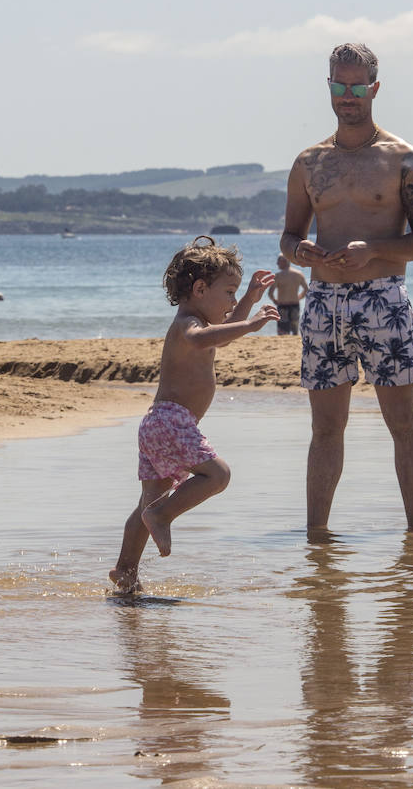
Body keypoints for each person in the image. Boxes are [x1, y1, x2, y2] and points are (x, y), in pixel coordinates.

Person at [281, 42, 413, 533]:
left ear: (373, 88)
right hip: (323, 303)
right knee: (325, 429)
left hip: (382, 300)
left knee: (402, 423)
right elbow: (288, 236)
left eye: (355, 86)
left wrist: (372, 249)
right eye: (338, 85)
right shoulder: (309, 163)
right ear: (328, 86)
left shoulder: (404, 160)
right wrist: (299, 252)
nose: (346, 96)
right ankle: (316, 540)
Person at [110, 237, 278, 593]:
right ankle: (162, 516)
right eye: (229, 292)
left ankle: (126, 574)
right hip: (172, 422)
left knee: (146, 502)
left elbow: (221, 331)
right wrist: (249, 324)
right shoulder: (188, 324)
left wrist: (248, 299)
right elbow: (204, 339)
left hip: (157, 424)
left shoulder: (201, 322)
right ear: (200, 289)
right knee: (218, 475)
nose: (233, 303)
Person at [266, 254, 308, 335]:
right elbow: (306, 289)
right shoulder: (298, 274)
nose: (277, 263)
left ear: (284, 262)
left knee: (283, 331)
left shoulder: (278, 276)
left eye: (278, 261)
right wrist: (299, 297)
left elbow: (270, 293)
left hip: (282, 305)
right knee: (295, 330)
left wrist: (275, 301)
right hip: (295, 304)